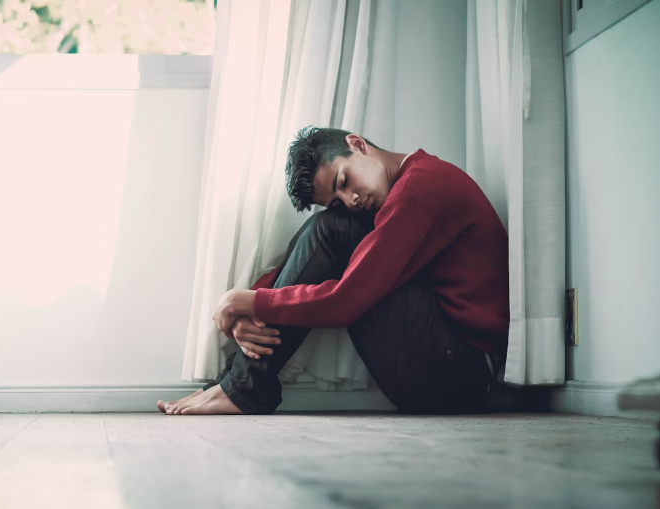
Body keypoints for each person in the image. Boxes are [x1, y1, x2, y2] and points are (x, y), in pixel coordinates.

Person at [158, 126, 509, 416]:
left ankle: (243, 388)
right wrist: (246, 306)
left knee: (332, 230)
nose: (352, 200)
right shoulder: (405, 189)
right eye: (340, 198)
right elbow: (311, 260)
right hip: (446, 363)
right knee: (330, 226)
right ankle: (238, 383)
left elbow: (346, 301)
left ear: (357, 144)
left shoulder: (421, 189)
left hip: (462, 376)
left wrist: (248, 302)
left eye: (344, 180)